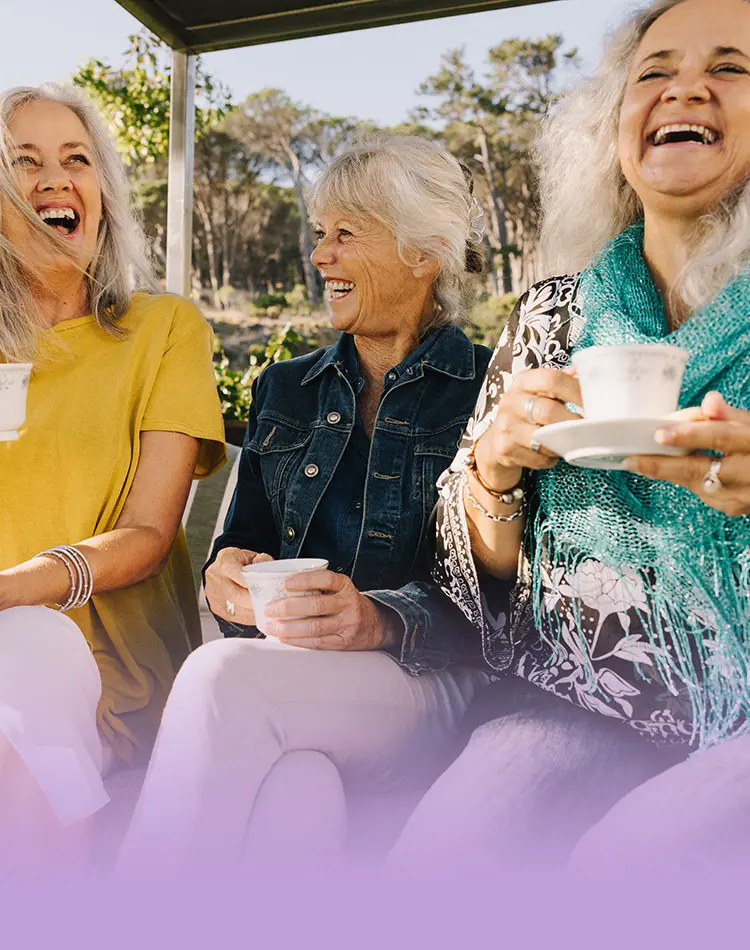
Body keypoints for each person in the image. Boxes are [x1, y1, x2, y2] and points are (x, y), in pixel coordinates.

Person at [388, 0, 750, 877]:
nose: (686, 87)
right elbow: (467, 581)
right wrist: (493, 471)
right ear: (615, 125)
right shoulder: (551, 315)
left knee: (625, 864)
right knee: (436, 861)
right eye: (654, 71)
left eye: (731, 68)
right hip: (579, 696)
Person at [118, 135, 493, 873]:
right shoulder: (283, 388)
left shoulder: (494, 388)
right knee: (298, 790)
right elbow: (243, 544)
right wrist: (226, 577)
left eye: (346, 235)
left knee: (224, 679)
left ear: (426, 253)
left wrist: (378, 619)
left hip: (437, 682)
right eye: (320, 235)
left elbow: (512, 600)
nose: (320, 257)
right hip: (301, 679)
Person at [0, 84, 225, 866]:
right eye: (24, 162)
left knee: (20, 659)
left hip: (104, 667)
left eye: (77, 160)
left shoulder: (161, 331)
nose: (56, 181)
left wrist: (11, 587)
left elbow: (149, 536)